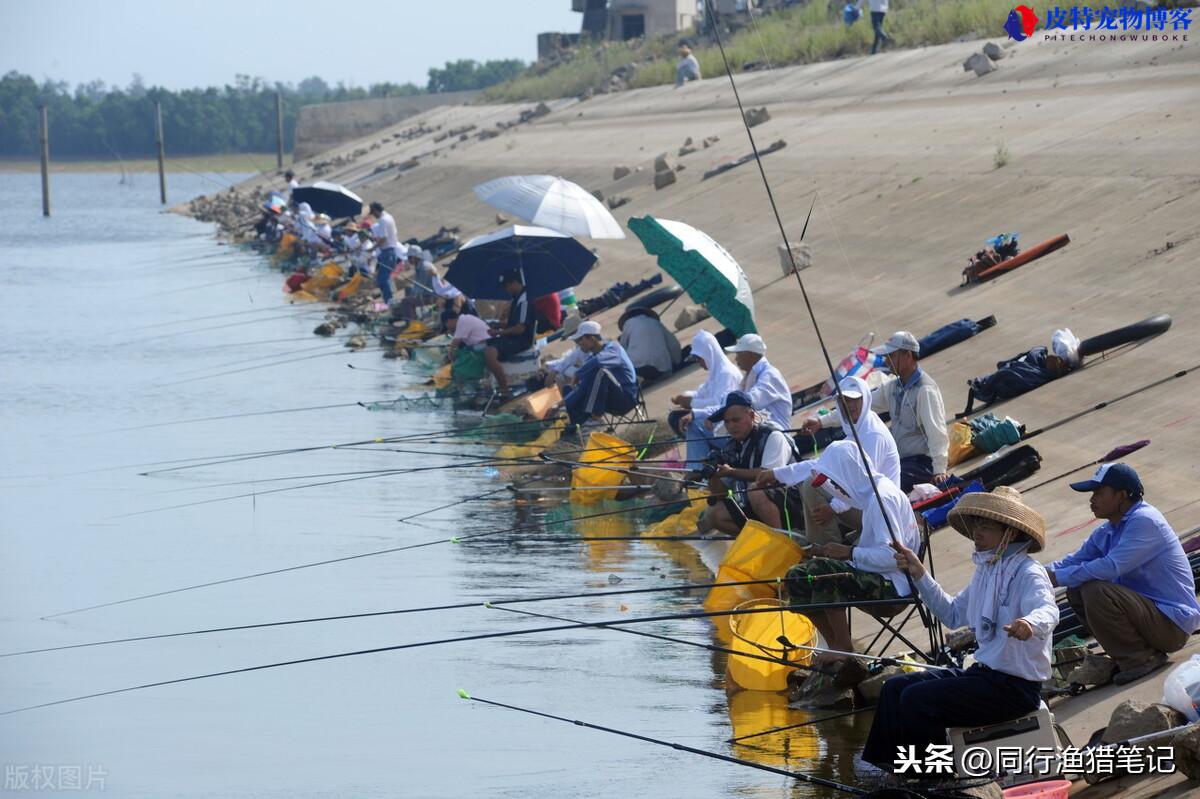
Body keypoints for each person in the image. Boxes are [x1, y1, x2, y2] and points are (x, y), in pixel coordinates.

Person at [863, 486, 1058, 773]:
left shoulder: (1029, 573)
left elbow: (1048, 610)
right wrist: (919, 573)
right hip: (983, 676)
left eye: (986, 528)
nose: (977, 534)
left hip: (1014, 689)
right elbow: (953, 614)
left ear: (1010, 534)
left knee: (917, 700)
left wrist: (1030, 623)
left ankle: (931, 778)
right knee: (895, 687)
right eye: (976, 526)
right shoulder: (986, 570)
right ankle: (889, 768)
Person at [759, 440, 921, 667]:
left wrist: (849, 552)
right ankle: (834, 642)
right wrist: (833, 551)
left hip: (893, 588)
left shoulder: (881, 499)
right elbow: (873, 548)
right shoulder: (868, 496)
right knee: (796, 577)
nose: (835, 488)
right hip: (875, 576)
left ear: (849, 473)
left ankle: (843, 647)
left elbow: (894, 557)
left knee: (822, 571)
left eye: (835, 481)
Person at [1048, 463, 1200, 684]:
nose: (1092, 500)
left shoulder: (1145, 521)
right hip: (1149, 620)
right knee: (1076, 590)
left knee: (1094, 589)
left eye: (1099, 493)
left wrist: (1056, 578)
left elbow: (1110, 566)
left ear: (1121, 495)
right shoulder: (1107, 530)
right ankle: (1129, 653)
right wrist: (1032, 573)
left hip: (1172, 626)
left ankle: (1140, 658)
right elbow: (1071, 562)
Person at [803, 331, 948, 492]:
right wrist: (821, 421)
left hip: (921, 465)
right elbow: (859, 405)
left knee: (870, 487)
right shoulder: (894, 387)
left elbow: (937, 433)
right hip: (902, 463)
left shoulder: (925, 390)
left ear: (908, 355)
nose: (886, 361)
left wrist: (939, 470)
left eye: (891, 356)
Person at [800, 375, 900, 547]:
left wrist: (832, 508)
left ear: (865, 400)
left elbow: (866, 485)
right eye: (843, 401)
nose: (848, 405)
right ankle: (821, 545)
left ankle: (830, 551)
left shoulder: (873, 434)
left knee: (812, 485)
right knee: (811, 482)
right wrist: (779, 474)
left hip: (881, 511)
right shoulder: (855, 427)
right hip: (863, 504)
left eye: (854, 400)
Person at [699, 391, 803, 536]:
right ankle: (761, 539)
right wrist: (713, 473)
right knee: (714, 514)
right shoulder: (731, 446)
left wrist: (731, 472)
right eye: (727, 422)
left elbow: (768, 475)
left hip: (794, 503)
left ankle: (781, 540)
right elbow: (719, 494)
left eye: (736, 420)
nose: (731, 426)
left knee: (756, 490)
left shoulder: (773, 436)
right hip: (756, 503)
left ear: (752, 416)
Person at [670, 330, 743, 472]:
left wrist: (693, 407)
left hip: (729, 430)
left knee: (693, 425)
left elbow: (721, 406)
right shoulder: (715, 372)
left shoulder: (727, 374)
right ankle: (702, 462)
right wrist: (685, 397)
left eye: (699, 359)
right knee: (676, 417)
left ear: (709, 353)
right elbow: (702, 392)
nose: (699, 363)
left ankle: (697, 470)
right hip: (715, 424)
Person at [965, 328, 1081, 408]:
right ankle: (985, 384)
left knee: (1007, 373)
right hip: (1003, 380)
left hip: (1000, 381)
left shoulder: (1038, 359)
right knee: (1007, 374)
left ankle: (985, 385)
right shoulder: (1038, 360)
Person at [556, 321, 639, 429]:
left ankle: (595, 417)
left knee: (600, 372)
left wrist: (578, 373)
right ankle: (580, 426)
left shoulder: (614, 349)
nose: (578, 343)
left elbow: (599, 361)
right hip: (608, 399)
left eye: (580, 339)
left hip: (625, 399)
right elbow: (583, 387)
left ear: (592, 338)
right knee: (569, 389)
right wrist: (562, 403)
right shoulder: (591, 358)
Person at [483, 271, 536, 398]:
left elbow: (520, 329)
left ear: (514, 283)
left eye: (507, 286)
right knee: (484, 344)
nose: (506, 290)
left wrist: (499, 332)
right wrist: (498, 325)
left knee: (490, 353)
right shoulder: (517, 299)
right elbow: (512, 324)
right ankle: (490, 382)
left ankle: (504, 389)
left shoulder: (525, 301)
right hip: (512, 337)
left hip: (521, 340)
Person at [725, 334, 792, 432]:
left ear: (750, 355)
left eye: (738, 354)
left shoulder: (770, 375)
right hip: (759, 430)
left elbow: (751, 401)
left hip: (776, 434)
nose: (736, 359)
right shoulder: (750, 376)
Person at [618, 308, 682, 384]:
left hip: (639, 367)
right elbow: (674, 345)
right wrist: (677, 362)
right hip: (663, 369)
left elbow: (622, 352)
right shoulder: (656, 323)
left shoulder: (628, 324)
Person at [369, 201, 401, 304]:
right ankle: (388, 300)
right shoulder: (389, 217)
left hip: (387, 252)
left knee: (383, 279)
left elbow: (383, 238)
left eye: (373, 213)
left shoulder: (383, 220)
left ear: (375, 211)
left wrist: (373, 248)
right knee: (382, 278)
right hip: (390, 251)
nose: (373, 216)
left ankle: (389, 301)